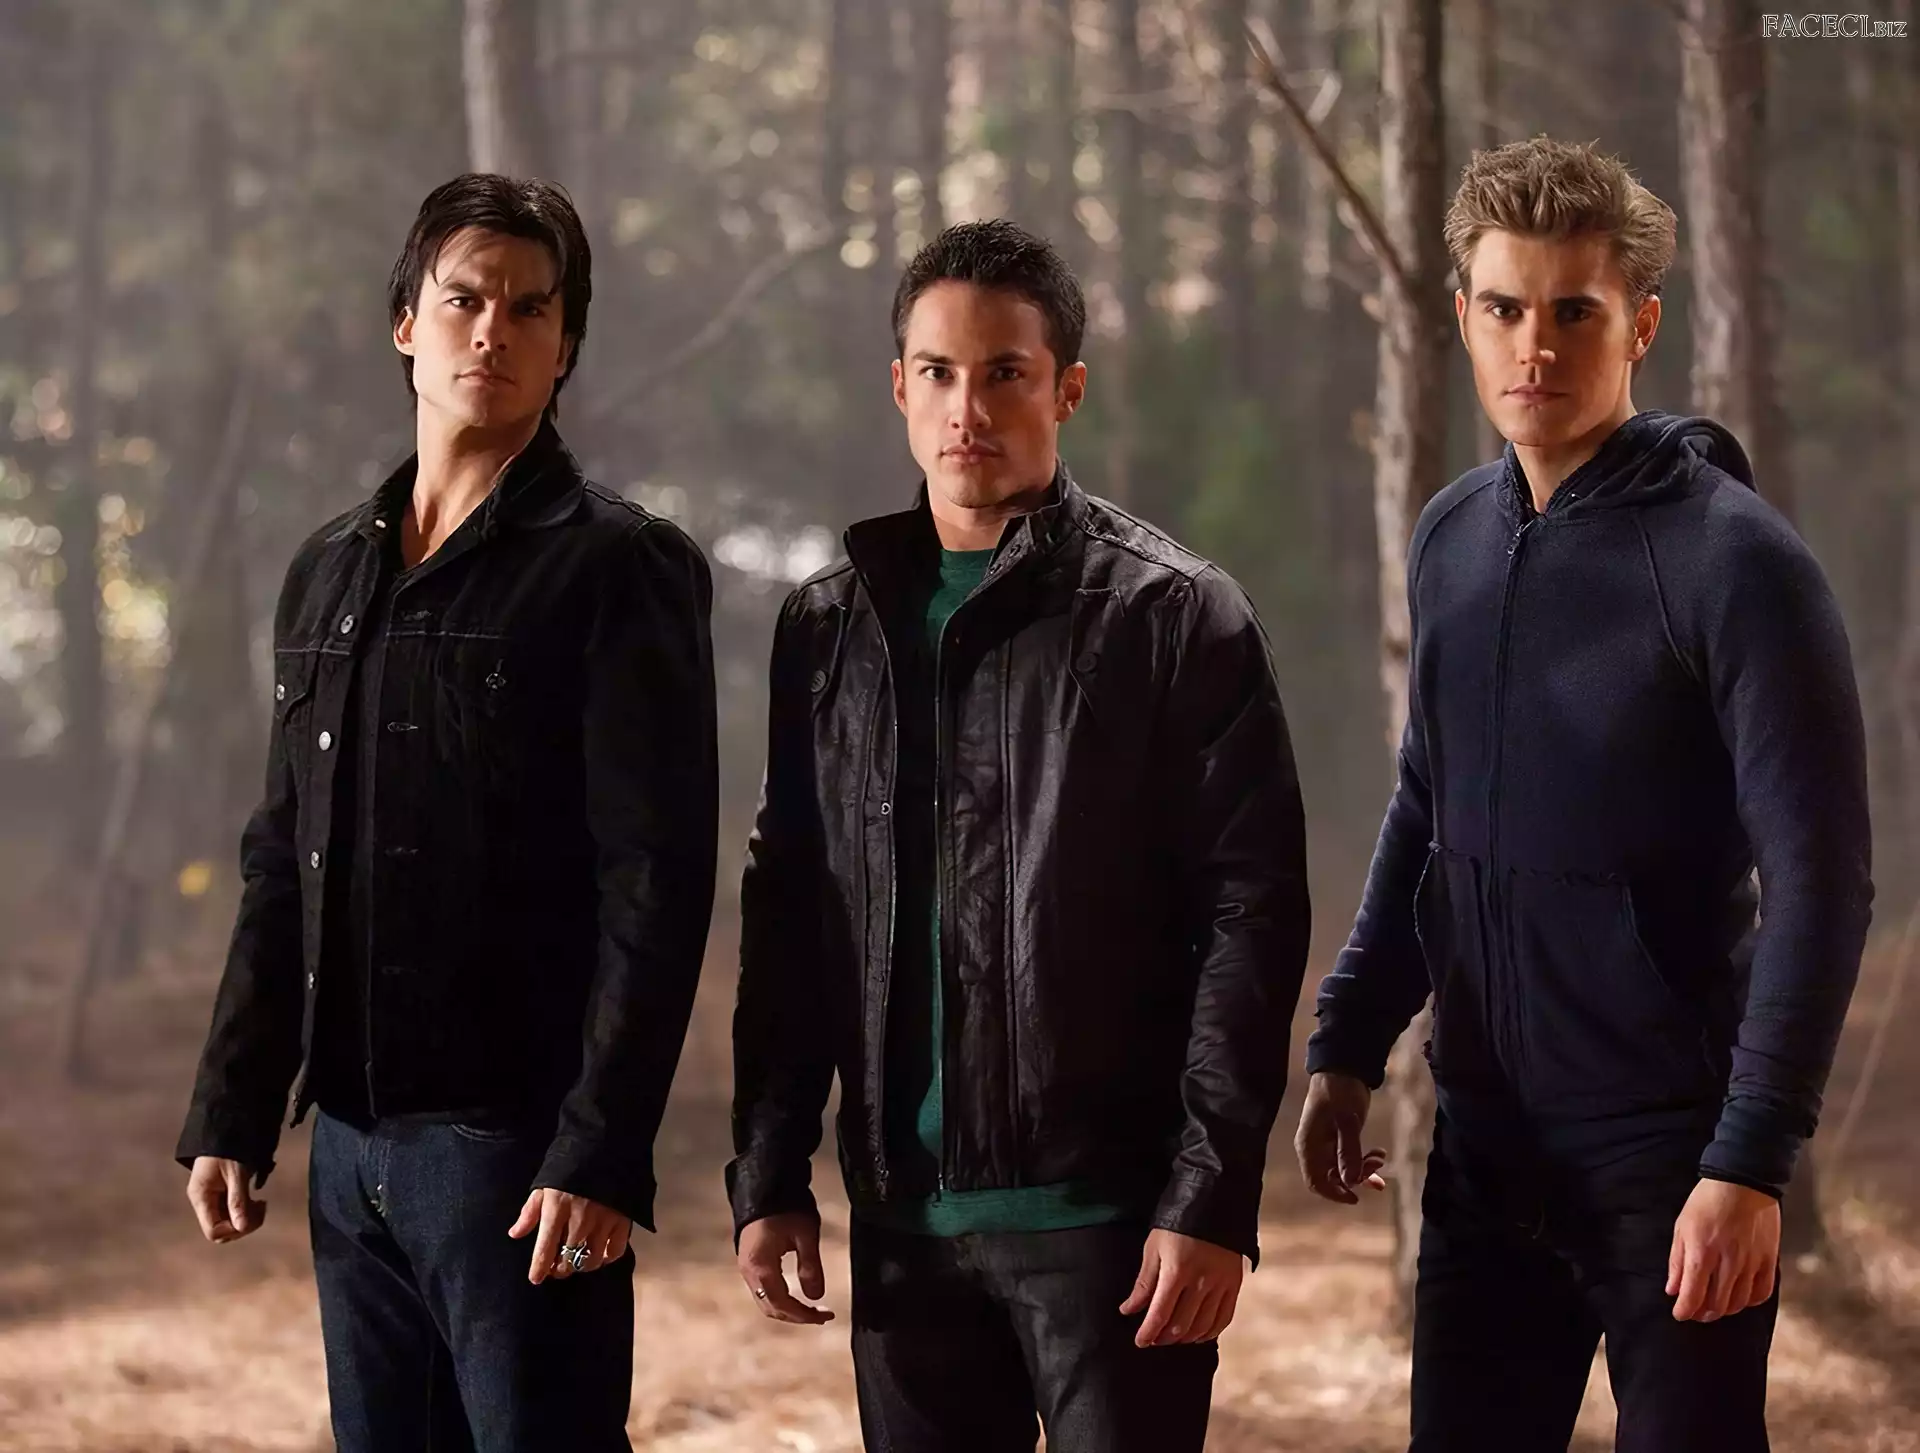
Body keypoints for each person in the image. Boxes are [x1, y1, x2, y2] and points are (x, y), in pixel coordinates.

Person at [1296, 137, 1873, 1453]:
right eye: (1505, 309)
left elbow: (1822, 880)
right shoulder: (1452, 535)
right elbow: (1427, 803)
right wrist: (1349, 1036)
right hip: (1486, 1151)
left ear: (1641, 325)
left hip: (1669, 1153)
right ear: (1464, 315)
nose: (1535, 348)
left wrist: (1749, 1161)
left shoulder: (1737, 565)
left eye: (1574, 312)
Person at [726, 219, 1311, 1452]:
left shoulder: (1172, 615)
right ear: (899, 386)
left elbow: (1249, 919)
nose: (968, 408)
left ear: (1067, 389)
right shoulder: (830, 628)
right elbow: (794, 912)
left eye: (1005, 373)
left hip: (1109, 1217)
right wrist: (768, 1172)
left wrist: (1210, 1195)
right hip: (903, 1222)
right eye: (939, 373)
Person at [175, 173, 718, 1452]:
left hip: (515, 1154)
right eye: (465, 300)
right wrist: (234, 1103)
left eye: (532, 309)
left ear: (565, 345)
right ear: (405, 322)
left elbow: (657, 880)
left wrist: (601, 1148)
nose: (494, 332)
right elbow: (281, 855)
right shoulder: (329, 570)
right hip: (347, 1144)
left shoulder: (618, 564)